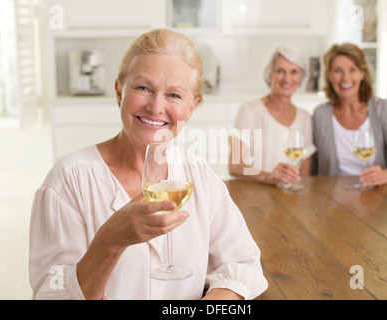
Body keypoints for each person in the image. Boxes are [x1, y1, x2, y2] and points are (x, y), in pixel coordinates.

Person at [29, 29, 267, 300]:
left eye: (174, 95)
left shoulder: (199, 174)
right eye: (143, 88)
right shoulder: (68, 181)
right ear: (119, 91)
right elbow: (52, 295)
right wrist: (110, 242)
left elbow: (243, 265)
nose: (155, 107)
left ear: (192, 107)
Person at [311, 43, 387, 186]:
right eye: (338, 70)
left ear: (362, 73)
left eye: (352, 70)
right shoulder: (320, 114)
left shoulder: (382, 109)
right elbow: (313, 168)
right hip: (332, 199)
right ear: (329, 76)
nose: (345, 78)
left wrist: (384, 176)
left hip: (377, 196)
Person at [229, 45, 316, 186]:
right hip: (253, 196)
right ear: (269, 74)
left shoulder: (305, 118)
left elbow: (304, 177)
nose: (287, 78)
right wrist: (268, 177)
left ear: (301, 77)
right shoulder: (249, 111)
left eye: (294, 72)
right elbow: (234, 166)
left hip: (290, 197)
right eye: (280, 71)